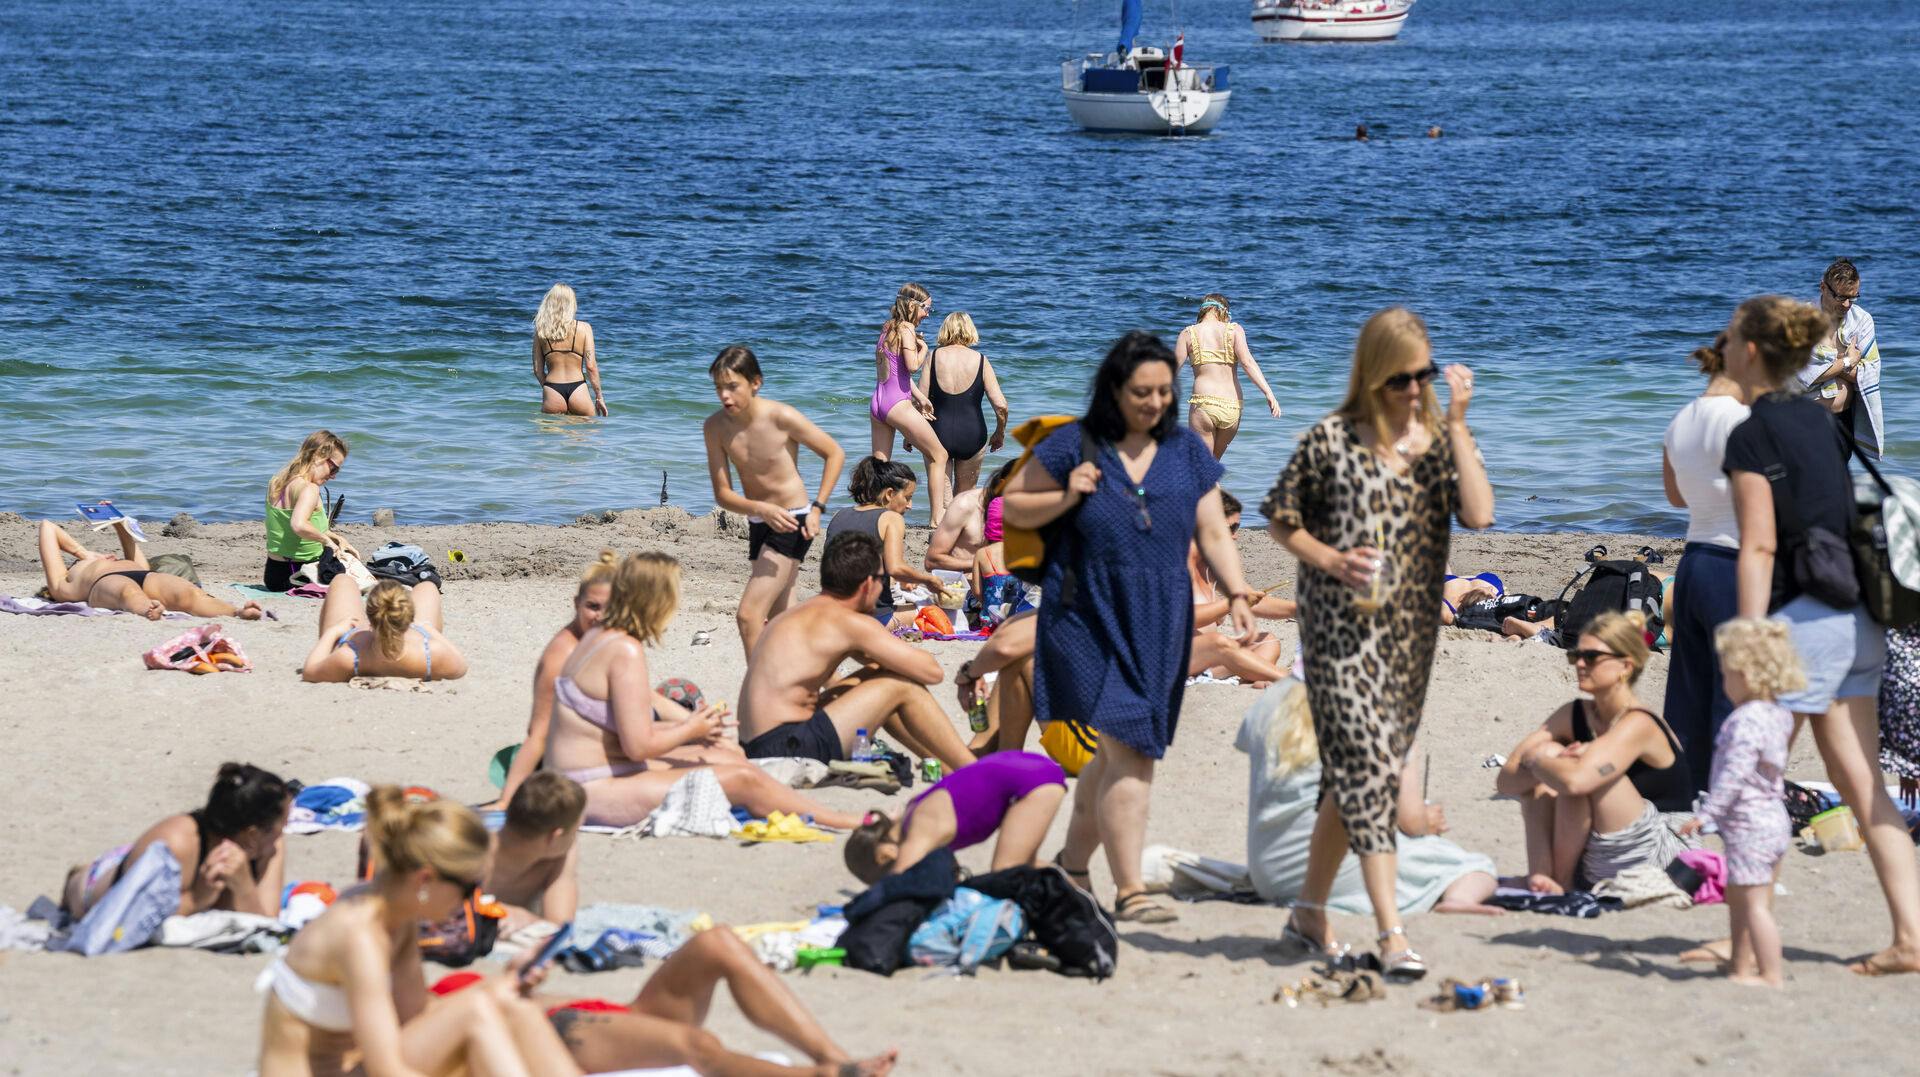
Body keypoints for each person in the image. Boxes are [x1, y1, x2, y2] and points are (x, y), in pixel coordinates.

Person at [1262, 306, 1494, 976]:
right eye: (1401, 378)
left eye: (1423, 375)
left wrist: (1456, 423)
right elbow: (1281, 519)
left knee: (1351, 776)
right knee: (1369, 769)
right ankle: (1392, 931)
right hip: (1338, 632)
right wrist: (1330, 560)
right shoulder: (1331, 440)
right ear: (1373, 374)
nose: (1413, 389)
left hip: (1408, 635)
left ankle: (1309, 909)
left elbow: (1479, 514)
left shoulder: (1435, 439)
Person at [1004, 330, 1256, 924]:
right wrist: (1067, 494)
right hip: (1084, 615)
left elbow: (1213, 528)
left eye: (1166, 392)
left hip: (1158, 615)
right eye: (1143, 392)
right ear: (1115, 389)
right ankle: (1130, 890)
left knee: (1114, 754)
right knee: (1134, 750)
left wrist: (1239, 588)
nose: (1156, 403)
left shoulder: (1188, 452)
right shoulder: (1073, 444)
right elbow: (1015, 505)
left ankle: (1070, 866)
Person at [1721, 294, 1920, 977]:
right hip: (1861, 618)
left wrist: (1745, 649)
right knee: (1865, 787)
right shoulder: (1820, 420)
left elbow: (1759, 546)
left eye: (1728, 337)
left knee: (1753, 780)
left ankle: (1745, 941)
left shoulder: (1750, 434)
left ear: (1750, 351)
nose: (1721, 347)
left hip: (1808, 624)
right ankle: (1911, 936)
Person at [257, 787, 580, 1077]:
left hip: (359, 1065)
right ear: (425, 880)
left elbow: (416, 1014)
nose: (474, 902)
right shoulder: (360, 937)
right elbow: (388, 1069)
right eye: (469, 888)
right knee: (478, 1009)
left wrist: (507, 981)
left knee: (504, 1000)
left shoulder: (396, 914)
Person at [542, 551, 861, 829]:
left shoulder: (598, 638)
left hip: (596, 772)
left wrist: (696, 729)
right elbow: (638, 746)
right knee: (742, 779)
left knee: (723, 755)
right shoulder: (624, 651)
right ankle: (843, 821)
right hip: (590, 788)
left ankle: (790, 801)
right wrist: (694, 727)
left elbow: (631, 719)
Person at [1238, 678, 1499, 925]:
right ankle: (1458, 899)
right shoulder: (1379, 704)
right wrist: (1427, 820)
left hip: (1267, 869)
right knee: (1473, 866)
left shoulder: (1273, 697)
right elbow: (1409, 820)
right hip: (1323, 872)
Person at [737, 532, 977, 771]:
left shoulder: (800, 613)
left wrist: (877, 660)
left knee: (880, 672)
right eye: (881, 581)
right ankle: (973, 769)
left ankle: (945, 767)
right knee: (898, 685)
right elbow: (932, 672)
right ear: (867, 585)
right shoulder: (847, 621)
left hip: (755, 743)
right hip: (785, 747)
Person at [1495, 612, 1697, 893]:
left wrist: (1539, 760)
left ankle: (1562, 883)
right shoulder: (1573, 713)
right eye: (1576, 655)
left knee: (1573, 771)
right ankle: (1543, 878)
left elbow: (1577, 782)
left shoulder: (1639, 723)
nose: (1579, 663)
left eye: (1590, 657)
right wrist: (1548, 759)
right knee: (1554, 761)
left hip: (1663, 851)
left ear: (1625, 666)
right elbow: (1506, 781)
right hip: (1604, 848)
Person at [543, 927, 898, 1076]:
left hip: (607, 1015)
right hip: (554, 1035)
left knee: (717, 942)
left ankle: (833, 1057)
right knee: (698, 1046)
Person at [1678, 619, 1803, 988]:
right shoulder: (1778, 713)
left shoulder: (1743, 721)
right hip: (1771, 821)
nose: (1724, 683)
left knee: (1753, 906)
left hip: (1751, 826)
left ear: (1746, 674)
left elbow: (1734, 773)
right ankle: (1739, 965)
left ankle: (1770, 974)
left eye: (1726, 675)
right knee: (1742, 897)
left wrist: (1706, 815)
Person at [703, 345, 846, 655]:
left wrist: (818, 509)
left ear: (756, 383)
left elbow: (834, 453)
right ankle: (817, 679)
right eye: (718, 388)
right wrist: (760, 509)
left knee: (749, 616)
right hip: (761, 520)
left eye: (732, 386)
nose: (725, 396)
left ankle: (761, 691)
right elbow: (722, 494)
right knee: (784, 617)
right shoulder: (714, 427)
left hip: (793, 520)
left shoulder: (782, 416)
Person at [1661, 332, 1750, 792]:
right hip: (1731, 559)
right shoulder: (1743, 421)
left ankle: (1686, 785)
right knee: (1732, 685)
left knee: (1687, 685)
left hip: (1692, 558)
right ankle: (1726, 791)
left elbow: (1675, 497)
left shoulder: (1680, 419)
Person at [63, 762, 291, 919]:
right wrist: (195, 898)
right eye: (281, 827)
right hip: (100, 890)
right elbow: (128, 912)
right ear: (252, 834)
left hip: (145, 865)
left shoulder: (270, 846)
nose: (283, 833)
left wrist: (244, 888)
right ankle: (79, 874)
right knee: (82, 890)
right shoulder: (177, 843)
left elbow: (268, 922)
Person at [489, 553, 619, 810]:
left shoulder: (602, 637)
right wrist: (506, 800)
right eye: (593, 607)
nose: (601, 616)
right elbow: (537, 734)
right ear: (576, 603)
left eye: (611, 609)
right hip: (570, 762)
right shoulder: (562, 656)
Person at [843, 752, 1067, 884]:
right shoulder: (911, 815)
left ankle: (1076, 896)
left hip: (1032, 781)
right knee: (1023, 863)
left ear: (886, 854)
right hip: (1025, 766)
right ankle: (1077, 886)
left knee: (1005, 873)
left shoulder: (919, 831)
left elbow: (899, 883)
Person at [38, 518, 265, 620]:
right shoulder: (61, 585)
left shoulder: (94, 564)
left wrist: (119, 524)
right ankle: (148, 609)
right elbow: (47, 527)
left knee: (190, 594)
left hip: (145, 574)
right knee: (129, 594)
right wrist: (82, 554)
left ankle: (235, 612)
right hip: (104, 583)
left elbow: (138, 558)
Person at [1187, 490, 1297, 685]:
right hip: (1172, 657)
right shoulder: (1176, 563)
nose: (1236, 536)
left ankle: (1256, 674)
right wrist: (1231, 604)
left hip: (1207, 659)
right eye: (1232, 527)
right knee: (1219, 643)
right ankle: (1286, 679)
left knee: (1268, 641)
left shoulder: (1212, 565)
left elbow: (1254, 601)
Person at [826, 458, 947, 627]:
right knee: (933, 609)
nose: (910, 505)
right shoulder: (891, 519)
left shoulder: (838, 514)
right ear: (890, 494)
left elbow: (856, 563)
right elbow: (896, 568)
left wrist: (901, 580)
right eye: (907, 497)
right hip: (871, 617)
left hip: (831, 611)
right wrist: (928, 580)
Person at [868, 283, 950, 526]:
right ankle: (937, 518)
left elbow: (896, 373)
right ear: (913, 306)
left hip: (879, 403)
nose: (927, 314)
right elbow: (913, 366)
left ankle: (874, 514)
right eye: (926, 309)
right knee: (939, 455)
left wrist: (920, 398)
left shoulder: (887, 328)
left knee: (880, 466)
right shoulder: (906, 329)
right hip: (897, 405)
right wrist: (924, 348)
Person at [1174, 295, 1282, 460]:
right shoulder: (1234, 330)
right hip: (1232, 407)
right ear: (1224, 312)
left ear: (1203, 310)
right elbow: (1248, 363)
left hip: (1204, 405)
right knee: (1212, 466)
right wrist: (1269, 393)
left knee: (1203, 467)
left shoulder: (1188, 334)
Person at [302, 577, 468, 682]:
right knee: (427, 586)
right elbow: (461, 667)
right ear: (408, 618)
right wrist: (429, 630)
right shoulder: (433, 654)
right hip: (416, 651)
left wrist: (333, 632)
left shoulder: (348, 657)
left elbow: (310, 672)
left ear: (370, 621)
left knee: (342, 580)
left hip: (361, 648)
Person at [918, 311, 1009, 500]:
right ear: (971, 331)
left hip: (937, 433)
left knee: (943, 500)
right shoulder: (981, 360)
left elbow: (918, 400)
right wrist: (1000, 432)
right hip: (972, 434)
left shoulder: (932, 357)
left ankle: (938, 523)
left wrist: (910, 435)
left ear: (945, 330)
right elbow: (1001, 405)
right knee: (964, 500)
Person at [1796, 259, 1882, 457]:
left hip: (1841, 422)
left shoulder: (1862, 321)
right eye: (1841, 297)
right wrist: (1848, 361)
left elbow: (1871, 373)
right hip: (1802, 418)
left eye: (1853, 298)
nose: (1846, 305)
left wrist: (1828, 368)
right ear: (1823, 287)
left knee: (1835, 478)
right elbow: (1803, 375)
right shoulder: (1802, 318)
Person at [487, 772, 585, 935]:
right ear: (555, 837)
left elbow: (560, 926)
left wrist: (526, 918)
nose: (575, 838)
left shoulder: (560, 856)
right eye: (575, 830)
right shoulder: (472, 850)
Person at [265, 430, 358, 592]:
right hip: (302, 574)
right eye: (334, 469)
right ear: (318, 456)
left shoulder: (276, 482)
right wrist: (327, 542)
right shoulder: (310, 488)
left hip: (274, 574)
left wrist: (338, 539)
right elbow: (299, 525)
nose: (334, 476)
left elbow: (298, 527)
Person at [533, 283, 606, 417]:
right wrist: (599, 397)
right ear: (571, 303)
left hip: (552, 388)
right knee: (590, 435)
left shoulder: (541, 331)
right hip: (578, 390)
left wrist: (549, 389)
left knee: (548, 437)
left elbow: (537, 370)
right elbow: (591, 367)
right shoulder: (584, 328)